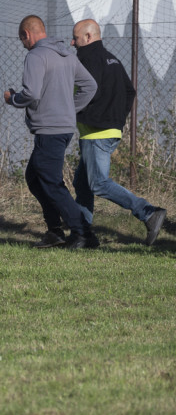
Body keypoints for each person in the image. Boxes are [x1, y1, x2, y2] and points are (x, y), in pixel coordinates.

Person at [70, 19, 167, 245]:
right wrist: (117, 118)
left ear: (88, 37)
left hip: (96, 132)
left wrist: (76, 110)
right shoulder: (112, 59)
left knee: (99, 184)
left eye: (75, 37)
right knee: (82, 184)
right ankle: (83, 234)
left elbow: (88, 90)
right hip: (107, 130)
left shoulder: (86, 58)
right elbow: (129, 91)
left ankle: (149, 213)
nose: (72, 42)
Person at [5, 15, 98, 249]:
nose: (23, 44)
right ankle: (55, 231)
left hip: (49, 130)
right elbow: (90, 86)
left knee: (53, 183)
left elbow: (31, 93)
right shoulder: (67, 54)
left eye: (21, 40)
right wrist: (69, 109)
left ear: (27, 34)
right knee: (35, 178)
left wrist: (13, 98)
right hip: (64, 127)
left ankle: (83, 233)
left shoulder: (35, 56)